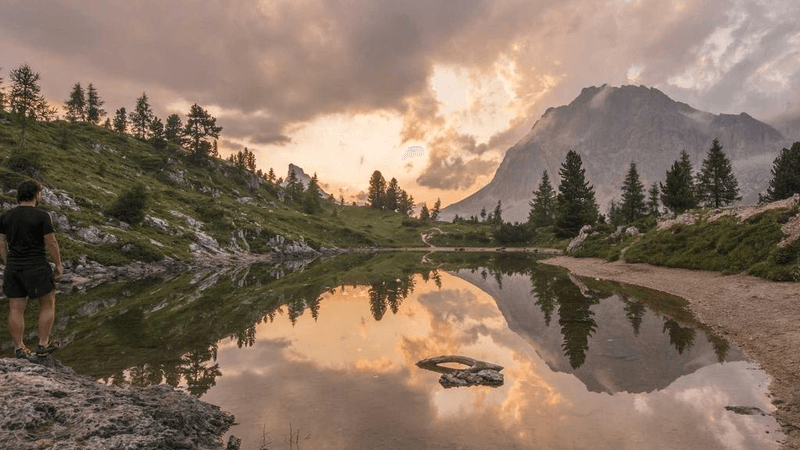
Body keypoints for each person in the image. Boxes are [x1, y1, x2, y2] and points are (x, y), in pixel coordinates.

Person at [0, 180, 63, 358]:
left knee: (15, 308)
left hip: (14, 268)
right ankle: (43, 345)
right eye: (40, 193)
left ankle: (19, 348)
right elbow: (51, 242)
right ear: (36, 195)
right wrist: (58, 264)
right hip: (37, 266)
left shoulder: (6, 216)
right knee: (48, 303)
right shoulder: (42, 216)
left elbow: (1, 243)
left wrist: (8, 262)